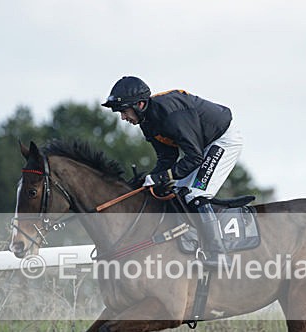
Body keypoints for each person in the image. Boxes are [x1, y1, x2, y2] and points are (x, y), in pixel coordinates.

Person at [101, 76, 243, 267]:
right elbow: (167, 158)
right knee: (175, 193)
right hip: (203, 146)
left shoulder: (171, 115)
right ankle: (190, 245)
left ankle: (219, 254)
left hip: (223, 140)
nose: (123, 118)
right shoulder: (147, 122)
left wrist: (161, 177)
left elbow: (194, 158)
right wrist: (150, 180)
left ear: (140, 104)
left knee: (196, 194)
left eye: (124, 111)